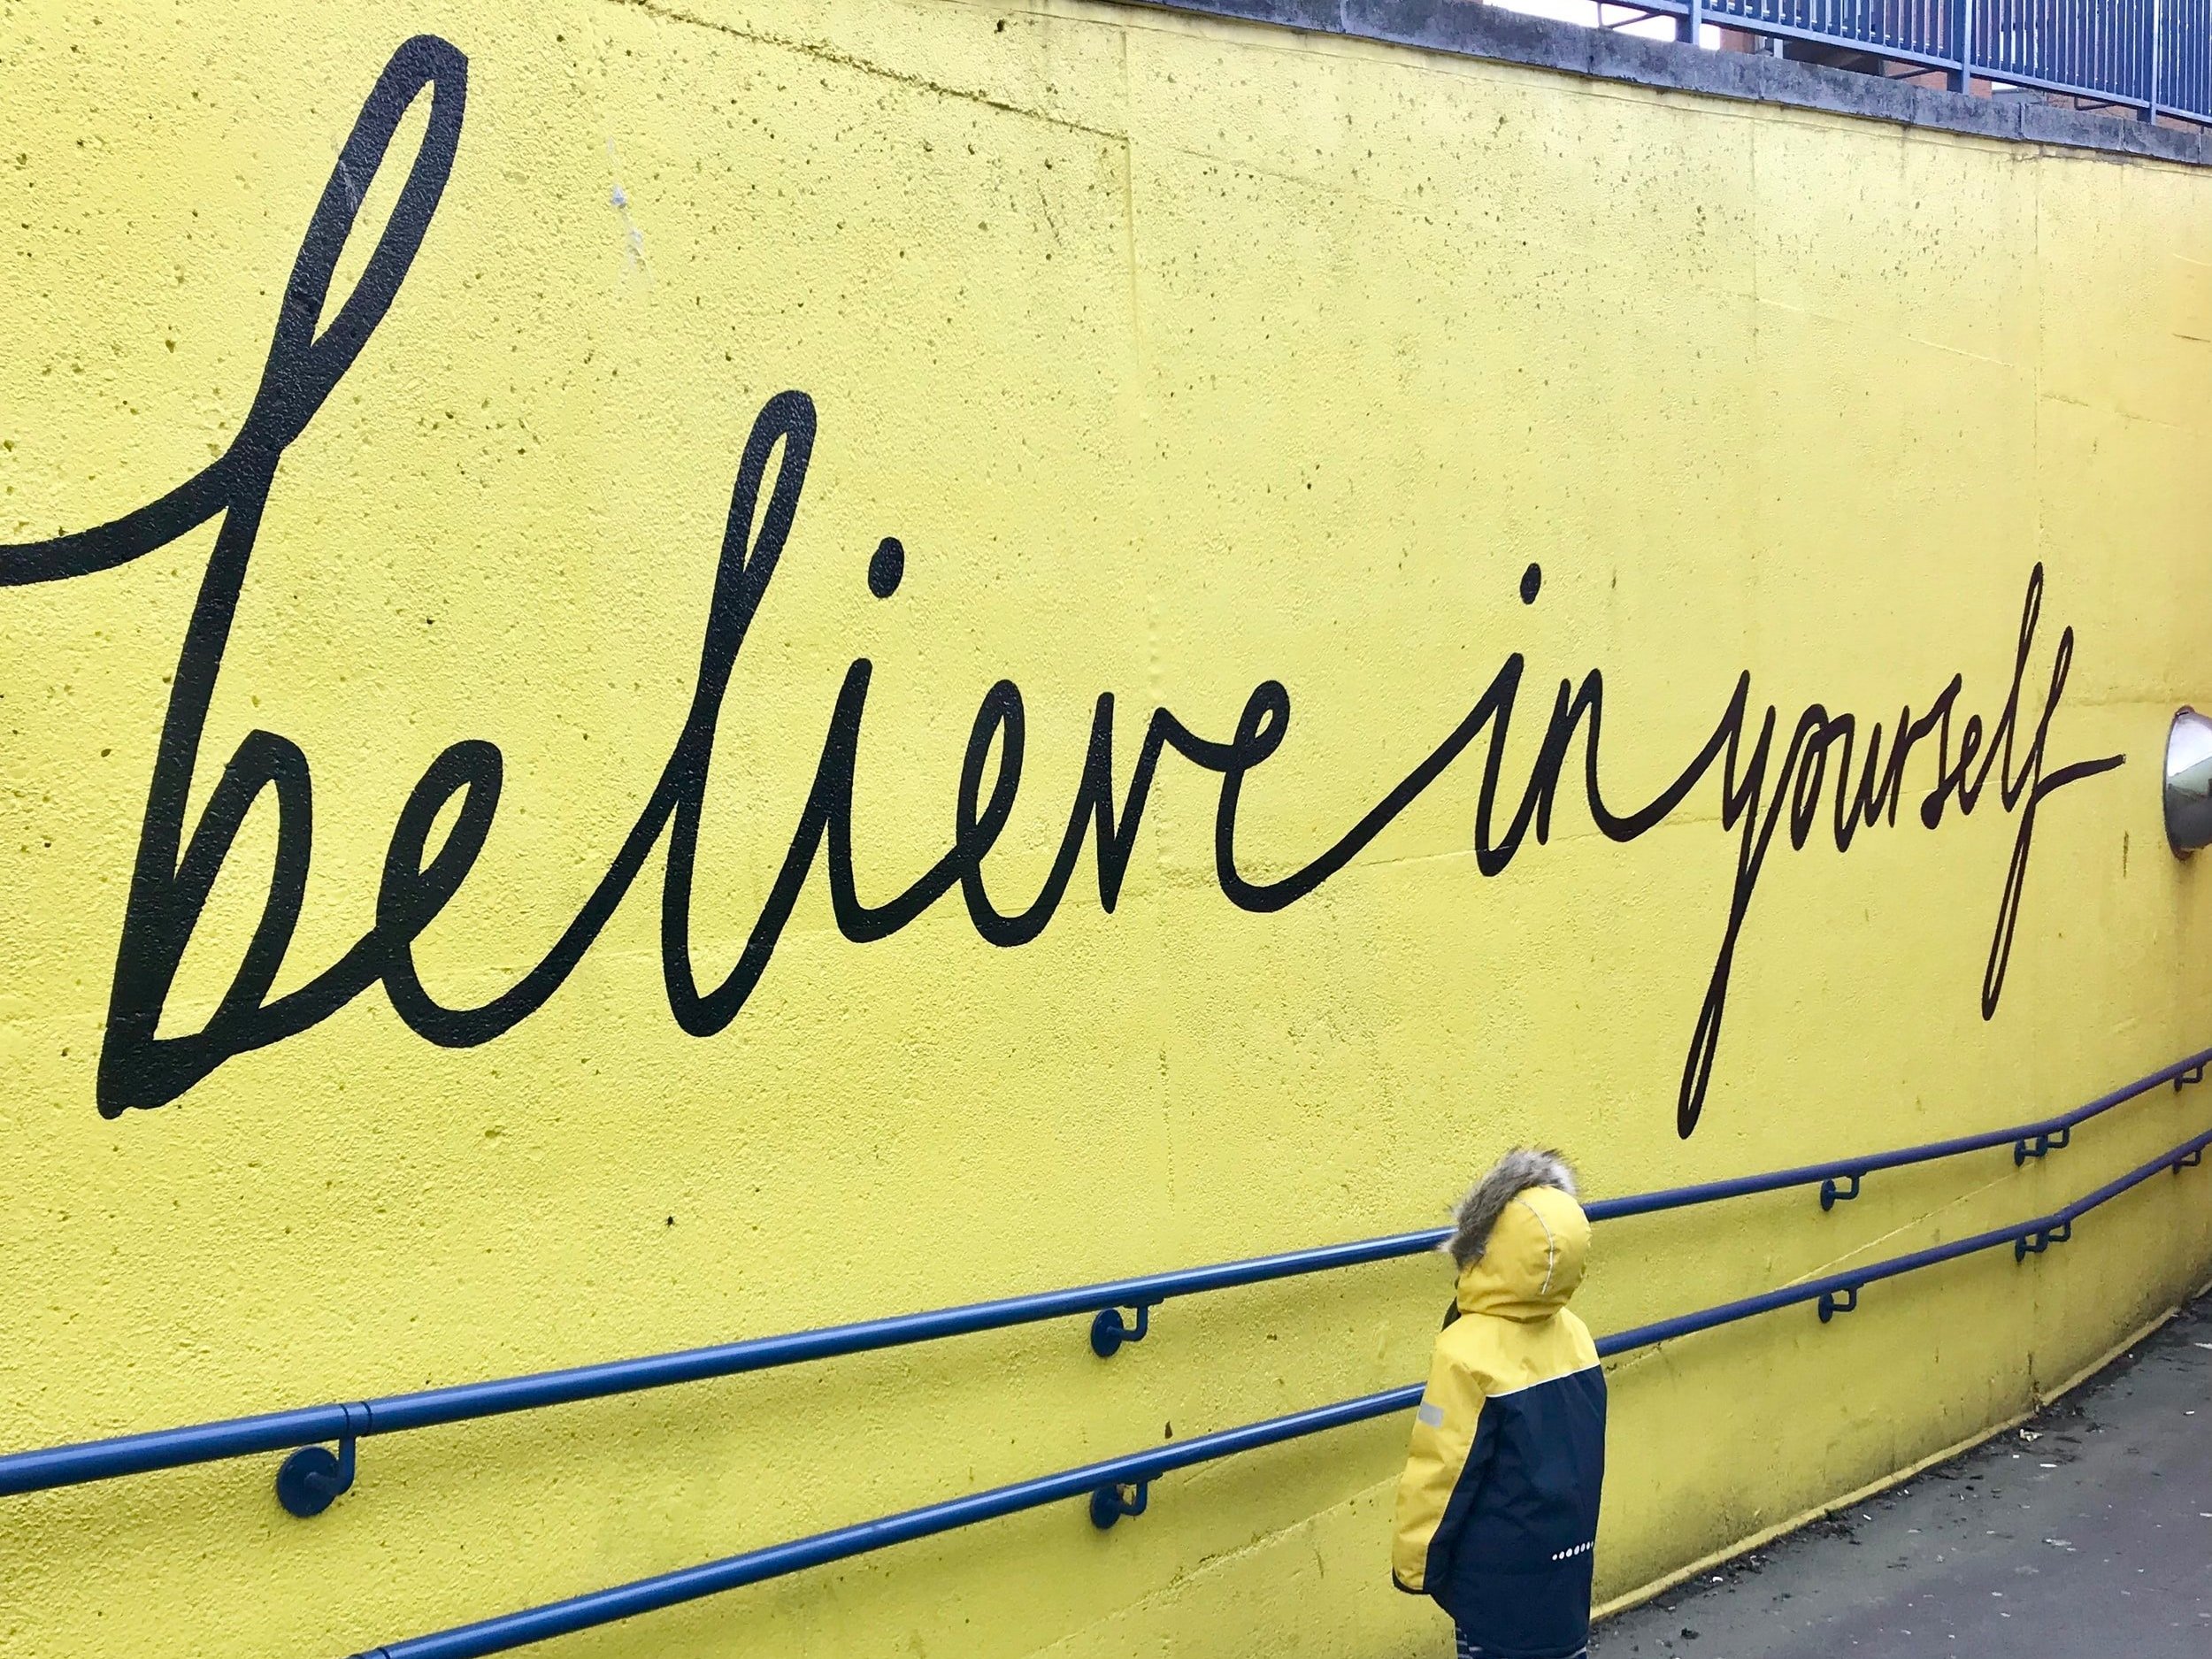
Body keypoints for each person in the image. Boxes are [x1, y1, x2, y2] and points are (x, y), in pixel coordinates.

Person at [1391, 1148, 1607, 1659]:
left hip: (1494, 1587)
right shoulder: (1576, 1336)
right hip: (1564, 1574)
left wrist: (1415, 1562)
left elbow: (1441, 1469)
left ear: (1482, 1247)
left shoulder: (1464, 1352)